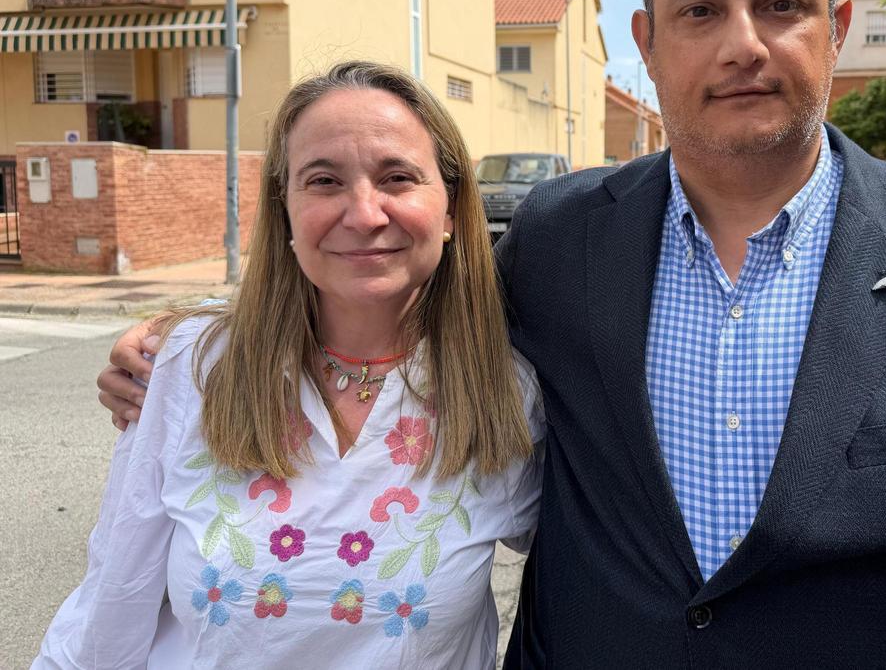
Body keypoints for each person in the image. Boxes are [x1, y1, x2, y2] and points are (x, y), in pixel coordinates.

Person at [99, 0, 886, 667]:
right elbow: (388, 289)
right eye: (700, 10)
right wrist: (182, 344)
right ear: (648, 41)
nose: (743, 45)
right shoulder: (558, 241)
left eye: (781, 6)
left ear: (838, 29)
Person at [40, 62, 543, 669]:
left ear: (450, 209)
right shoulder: (192, 368)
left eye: (398, 177)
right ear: (283, 209)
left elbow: (593, 581)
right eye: (324, 180)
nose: (363, 213)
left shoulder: (503, 391)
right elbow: (113, 602)